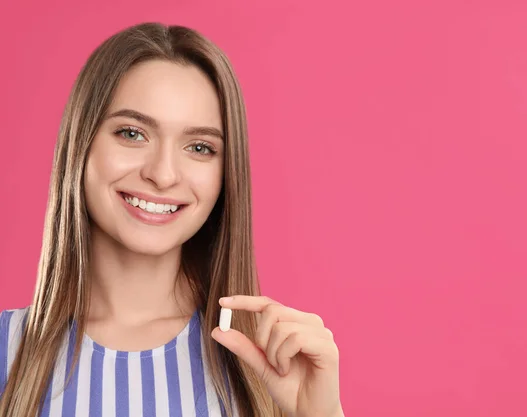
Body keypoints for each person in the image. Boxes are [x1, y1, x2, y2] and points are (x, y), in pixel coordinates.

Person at [0, 22, 343, 417]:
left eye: (199, 147)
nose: (163, 174)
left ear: (225, 174)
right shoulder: (8, 349)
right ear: (82, 144)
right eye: (132, 133)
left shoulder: (268, 367)